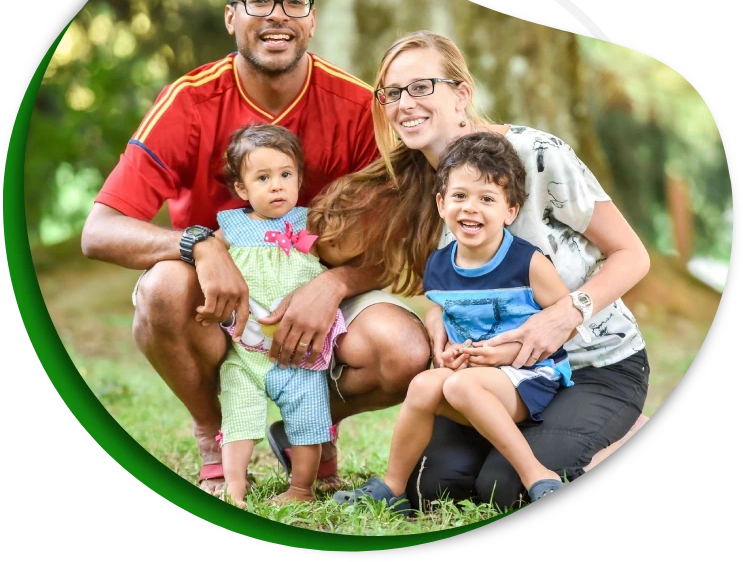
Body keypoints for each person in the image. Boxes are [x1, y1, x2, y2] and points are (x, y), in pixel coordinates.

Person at [80, 0, 431, 497]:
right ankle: (213, 431)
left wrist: (333, 283)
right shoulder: (191, 102)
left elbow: (396, 238)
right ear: (231, 17)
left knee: (404, 352)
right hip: (221, 293)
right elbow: (99, 230)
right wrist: (201, 246)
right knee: (162, 291)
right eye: (259, 1)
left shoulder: (360, 107)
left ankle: (307, 422)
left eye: (294, 2)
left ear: (311, 19)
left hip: (325, 293)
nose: (277, 16)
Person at [308, 30, 650, 510]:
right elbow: (444, 285)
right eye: (392, 93)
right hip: (492, 374)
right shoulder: (431, 190)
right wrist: (436, 323)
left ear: (461, 94)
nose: (405, 103)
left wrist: (565, 313)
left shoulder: (537, 155)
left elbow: (633, 255)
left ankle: (617, 433)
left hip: (591, 365)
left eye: (422, 86)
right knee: (433, 490)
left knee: (507, 491)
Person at [333, 131, 576, 513]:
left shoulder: (527, 263)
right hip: (471, 378)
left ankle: (536, 475)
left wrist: (504, 354)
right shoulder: (439, 265)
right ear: (442, 203)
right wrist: (444, 345)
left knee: (460, 386)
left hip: (530, 376)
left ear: (510, 210)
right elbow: (445, 311)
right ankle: (391, 486)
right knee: (424, 384)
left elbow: (566, 322)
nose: (471, 209)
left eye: (487, 199)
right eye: (460, 196)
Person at [214, 124, 347, 507]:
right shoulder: (232, 227)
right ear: (242, 189)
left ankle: (301, 489)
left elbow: (343, 260)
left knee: (309, 418)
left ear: (299, 179)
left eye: (285, 175)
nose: (276, 186)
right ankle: (234, 488)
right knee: (239, 414)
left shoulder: (312, 221)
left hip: (301, 351)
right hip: (246, 351)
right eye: (263, 177)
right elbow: (209, 260)